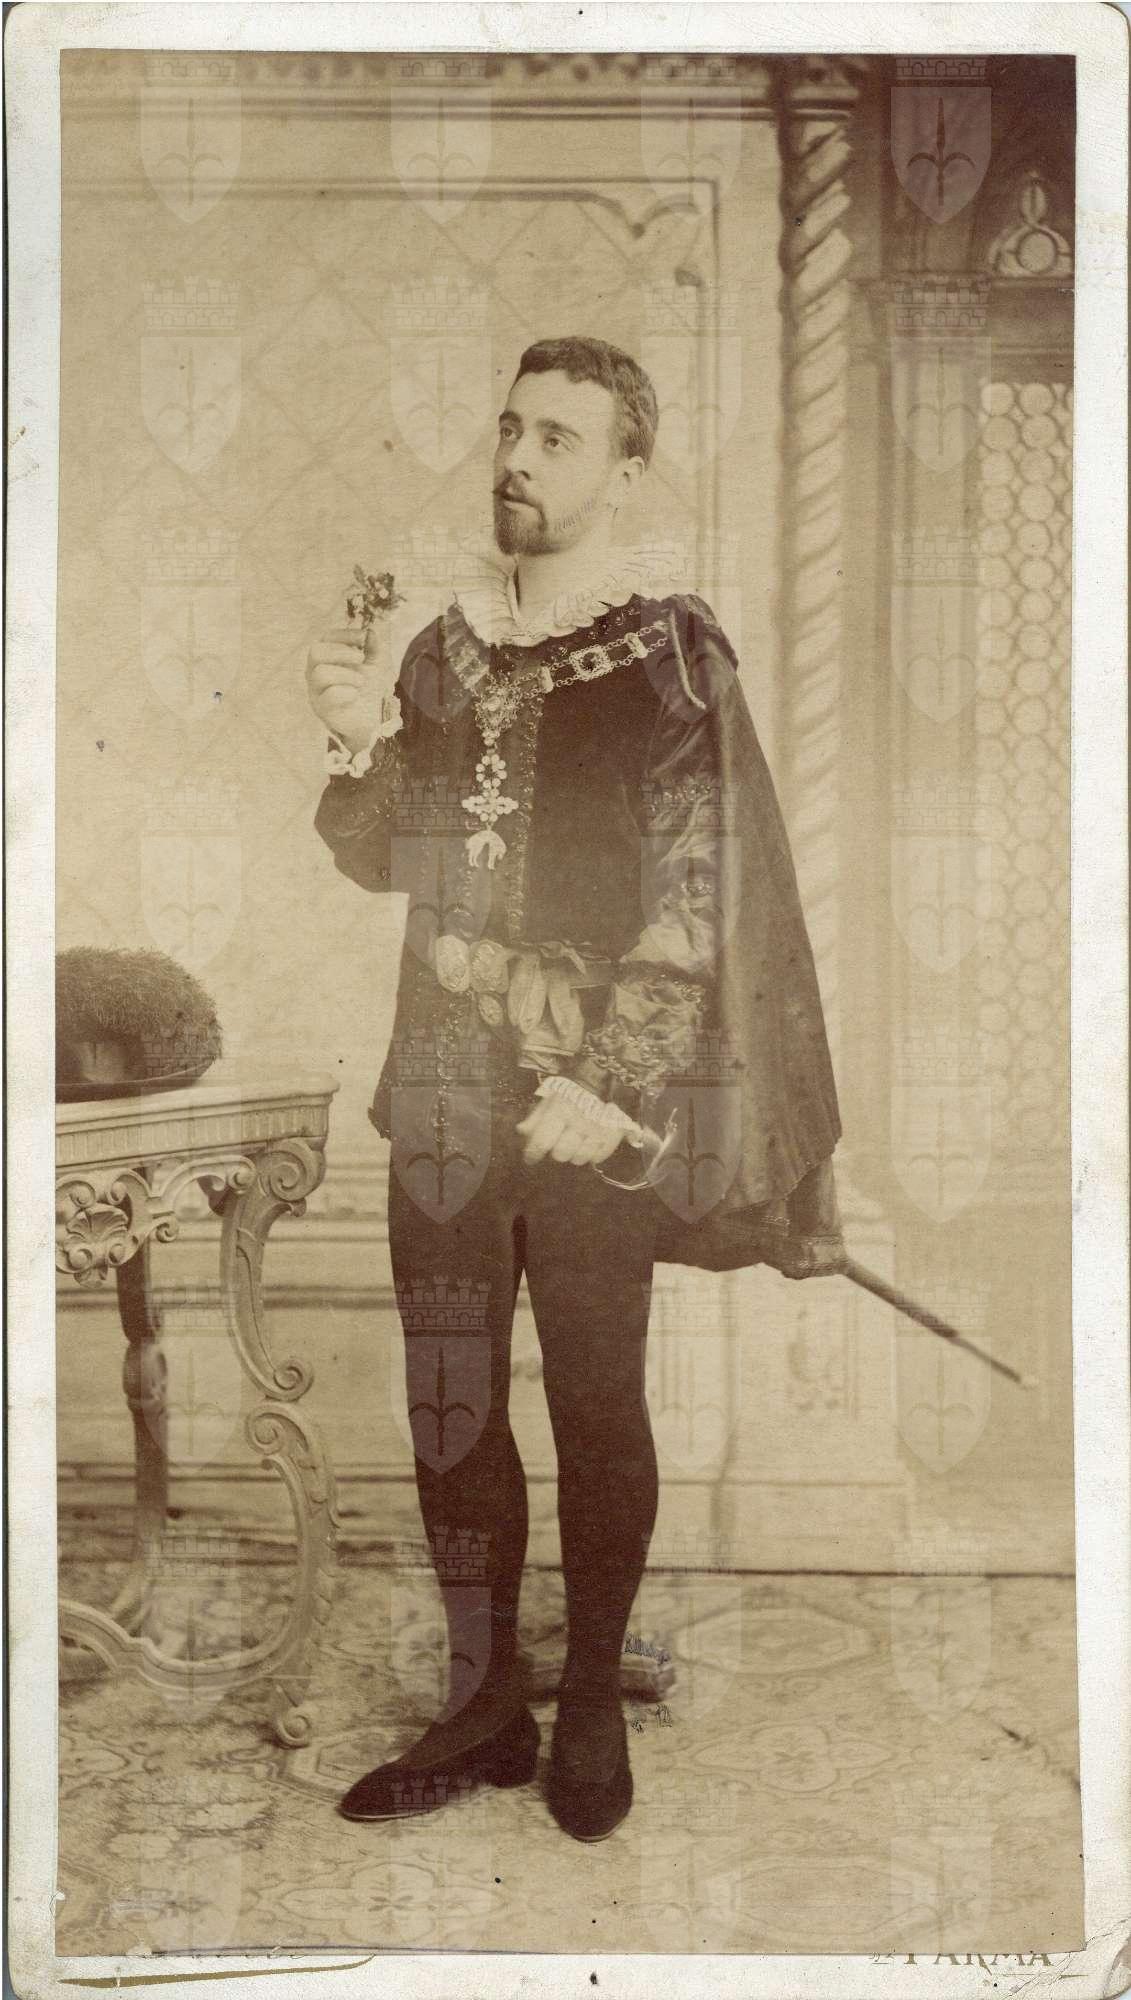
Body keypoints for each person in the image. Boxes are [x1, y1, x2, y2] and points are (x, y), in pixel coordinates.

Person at [307, 337, 844, 1843]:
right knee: (450, 1397)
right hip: (442, 1080)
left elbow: (699, 894)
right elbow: (385, 860)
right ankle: (485, 1702)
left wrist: (611, 1087)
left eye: (559, 439)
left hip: (595, 1104)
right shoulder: (444, 650)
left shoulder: (671, 655)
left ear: (625, 469)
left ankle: (592, 1698)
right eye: (511, 429)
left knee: (598, 1397)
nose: (518, 460)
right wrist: (356, 740)